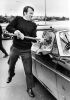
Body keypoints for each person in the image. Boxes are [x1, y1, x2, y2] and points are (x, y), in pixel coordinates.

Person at [6, 6, 37, 98]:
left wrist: (39, 40)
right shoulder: (18, 19)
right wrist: (16, 31)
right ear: (25, 13)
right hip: (15, 48)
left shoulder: (33, 25)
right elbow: (9, 27)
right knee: (11, 65)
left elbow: (34, 38)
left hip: (26, 50)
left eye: (32, 13)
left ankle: (30, 88)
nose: (32, 15)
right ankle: (11, 74)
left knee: (28, 71)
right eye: (30, 13)